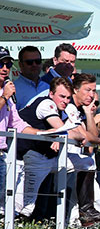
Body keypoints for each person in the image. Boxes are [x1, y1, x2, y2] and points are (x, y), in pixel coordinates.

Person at [16, 77, 88, 219]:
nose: (65, 101)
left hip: (46, 157)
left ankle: (87, 210)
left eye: (68, 97)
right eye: (62, 96)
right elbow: (64, 130)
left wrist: (62, 137)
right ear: (51, 94)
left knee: (88, 163)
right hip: (26, 157)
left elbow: (79, 133)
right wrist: (66, 135)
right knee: (24, 206)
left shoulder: (66, 108)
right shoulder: (46, 104)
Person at [64, 73, 100, 225]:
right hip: (47, 154)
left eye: (93, 91)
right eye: (87, 90)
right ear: (75, 90)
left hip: (71, 159)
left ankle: (87, 211)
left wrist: (88, 112)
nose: (91, 95)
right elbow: (85, 135)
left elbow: (90, 136)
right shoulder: (70, 106)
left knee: (88, 163)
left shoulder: (81, 109)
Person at [0, 46, 42, 216]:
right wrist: (4, 97)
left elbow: (17, 122)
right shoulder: (7, 93)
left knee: (3, 203)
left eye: (8, 65)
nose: (5, 69)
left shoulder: (8, 90)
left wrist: (42, 133)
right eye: (0, 64)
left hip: (3, 152)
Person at [13, 46, 48, 110]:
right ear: (20, 65)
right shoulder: (13, 90)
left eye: (37, 61)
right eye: (29, 62)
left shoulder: (48, 87)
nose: (34, 65)